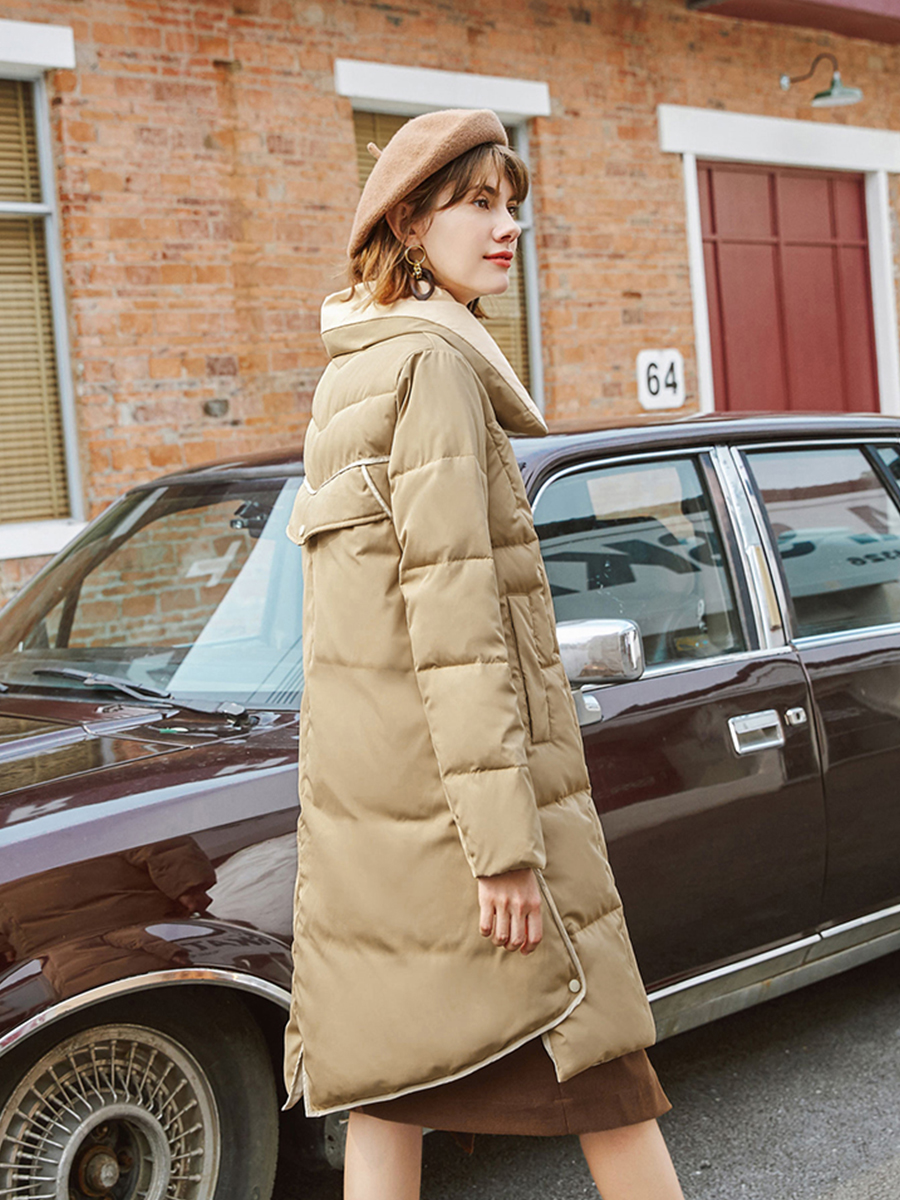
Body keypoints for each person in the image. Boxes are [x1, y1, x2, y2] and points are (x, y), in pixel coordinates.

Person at [283, 108, 685, 1200]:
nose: (508, 227)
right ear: (409, 223)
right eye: (477, 204)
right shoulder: (434, 370)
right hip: (463, 832)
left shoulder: (353, 370)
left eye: (512, 206)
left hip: (379, 835)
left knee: (390, 1083)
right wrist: (504, 848)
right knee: (602, 1068)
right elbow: (456, 630)